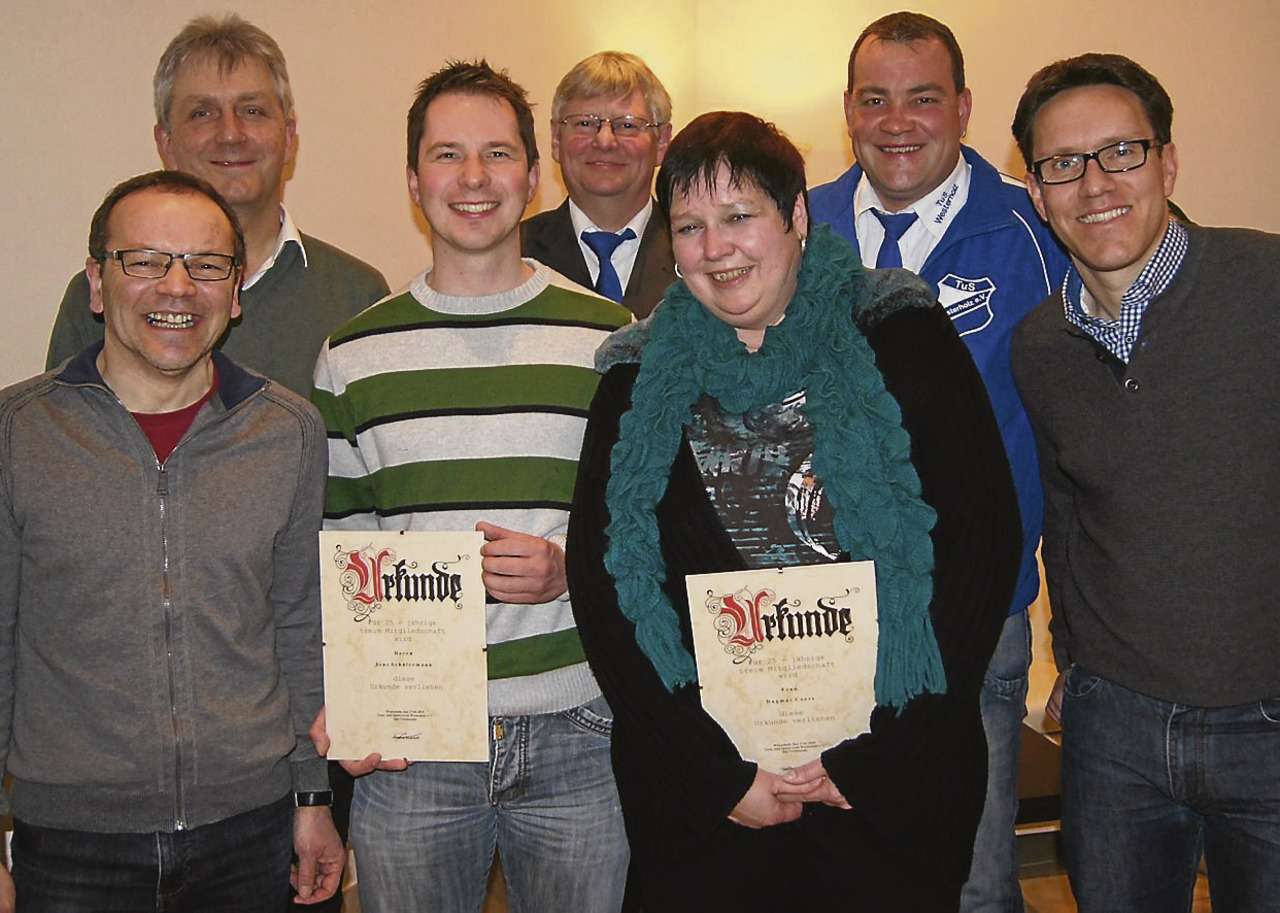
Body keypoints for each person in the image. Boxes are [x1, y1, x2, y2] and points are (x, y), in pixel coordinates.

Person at [566, 111, 1020, 912]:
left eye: (740, 215)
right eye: (691, 227)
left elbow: (980, 545)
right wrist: (715, 775)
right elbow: (605, 588)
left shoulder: (900, 332)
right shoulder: (631, 380)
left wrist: (875, 760)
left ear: (797, 217)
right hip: (711, 813)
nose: (716, 248)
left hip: (885, 797)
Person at [310, 61, 632, 913]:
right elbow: (339, 553)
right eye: (447, 155)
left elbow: (648, 532)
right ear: (414, 180)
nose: (475, 178)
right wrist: (352, 702)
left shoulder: (611, 341)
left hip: (581, 729)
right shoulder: (352, 356)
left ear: (534, 174)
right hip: (417, 747)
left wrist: (573, 567)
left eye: (498, 153)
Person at [0, 170, 341, 912]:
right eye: (146, 260)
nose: (178, 287)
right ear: (97, 282)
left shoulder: (288, 432)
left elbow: (298, 622)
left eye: (206, 264)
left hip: (249, 832)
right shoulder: (18, 433)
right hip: (70, 843)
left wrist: (313, 796)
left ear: (236, 289)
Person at [808, 16, 1070, 908]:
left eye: (923, 98)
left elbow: (1072, 429)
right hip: (819, 622)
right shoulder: (795, 227)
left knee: (975, 880)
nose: (897, 121)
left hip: (973, 619)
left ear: (962, 107)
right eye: (875, 99)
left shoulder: (1032, 235)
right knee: (836, 868)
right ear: (847, 109)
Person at [1010, 53, 1280, 913]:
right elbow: (1067, 518)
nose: (1095, 185)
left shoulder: (1265, 287)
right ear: (1037, 192)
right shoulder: (1041, 346)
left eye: (1121, 152)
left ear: (1167, 161)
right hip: (1115, 733)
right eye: (1063, 164)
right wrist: (1079, 669)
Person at [45, 13, 388, 396]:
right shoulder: (111, 291)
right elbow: (63, 439)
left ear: (289, 137)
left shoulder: (356, 294)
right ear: (166, 143)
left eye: (252, 110)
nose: (230, 134)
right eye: (202, 113)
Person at [521, 51, 675, 317]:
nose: (605, 141)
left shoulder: (697, 250)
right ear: (556, 139)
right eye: (585, 123)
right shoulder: (514, 253)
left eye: (627, 125)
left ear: (661, 142)